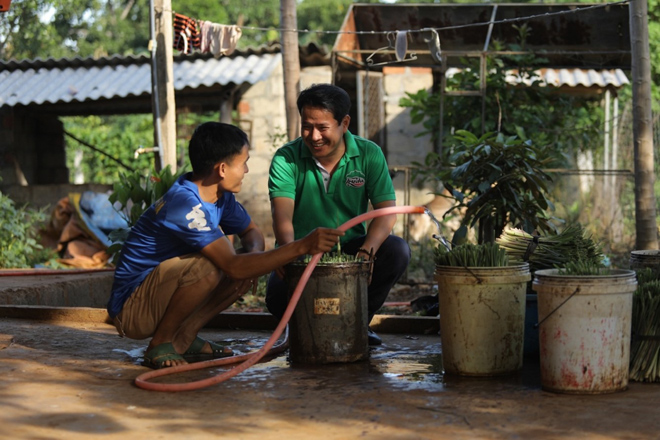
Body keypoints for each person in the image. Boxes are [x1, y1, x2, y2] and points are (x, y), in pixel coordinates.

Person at [108, 122, 344, 369]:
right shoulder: (185, 204)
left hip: (157, 294)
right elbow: (232, 265)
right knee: (211, 267)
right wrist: (302, 246)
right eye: (243, 163)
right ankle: (161, 343)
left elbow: (251, 232)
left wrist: (253, 258)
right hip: (133, 310)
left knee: (242, 266)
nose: (246, 170)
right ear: (222, 169)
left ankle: (184, 337)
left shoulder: (220, 197)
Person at [265, 83, 411, 346]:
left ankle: (357, 322)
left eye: (323, 127)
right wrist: (287, 251)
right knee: (276, 298)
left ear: (344, 123)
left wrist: (367, 253)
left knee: (397, 250)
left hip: (350, 251)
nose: (314, 136)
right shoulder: (286, 158)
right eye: (307, 126)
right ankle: (302, 326)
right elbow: (282, 217)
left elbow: (387, 213)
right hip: (302, 251)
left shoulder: (369, 154)